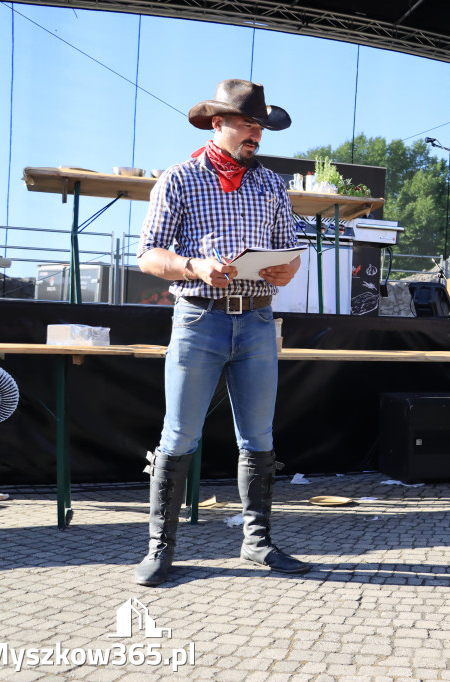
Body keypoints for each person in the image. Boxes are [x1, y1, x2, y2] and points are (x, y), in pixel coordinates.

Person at [134, 79, 308, 586]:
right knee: (179, 434)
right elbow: (147, 254)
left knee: (258, 437)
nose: (256, 134)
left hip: (256, 319)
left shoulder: (272, 184)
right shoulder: (179, 178)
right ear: (218, 123)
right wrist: (193, 265)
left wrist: (285, 270)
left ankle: (257, 543)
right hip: (198, 318)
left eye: (260, 126)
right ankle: (160, 548)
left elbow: (289, 252)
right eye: (248, 124)